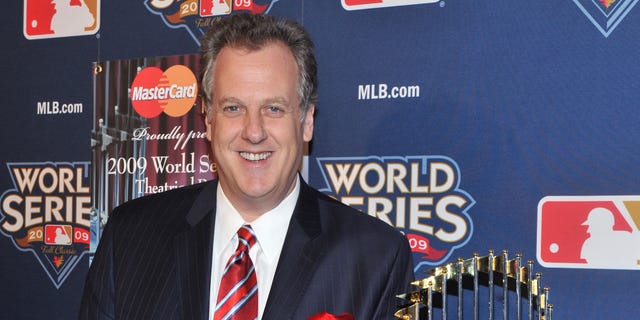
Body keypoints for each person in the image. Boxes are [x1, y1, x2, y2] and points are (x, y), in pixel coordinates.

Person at [79, 13, 414, 320]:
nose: (254, 132)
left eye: (274, 109)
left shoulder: (376, 259)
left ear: (307, 120)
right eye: (234, 108)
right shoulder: (128, 239)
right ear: (208, 118)